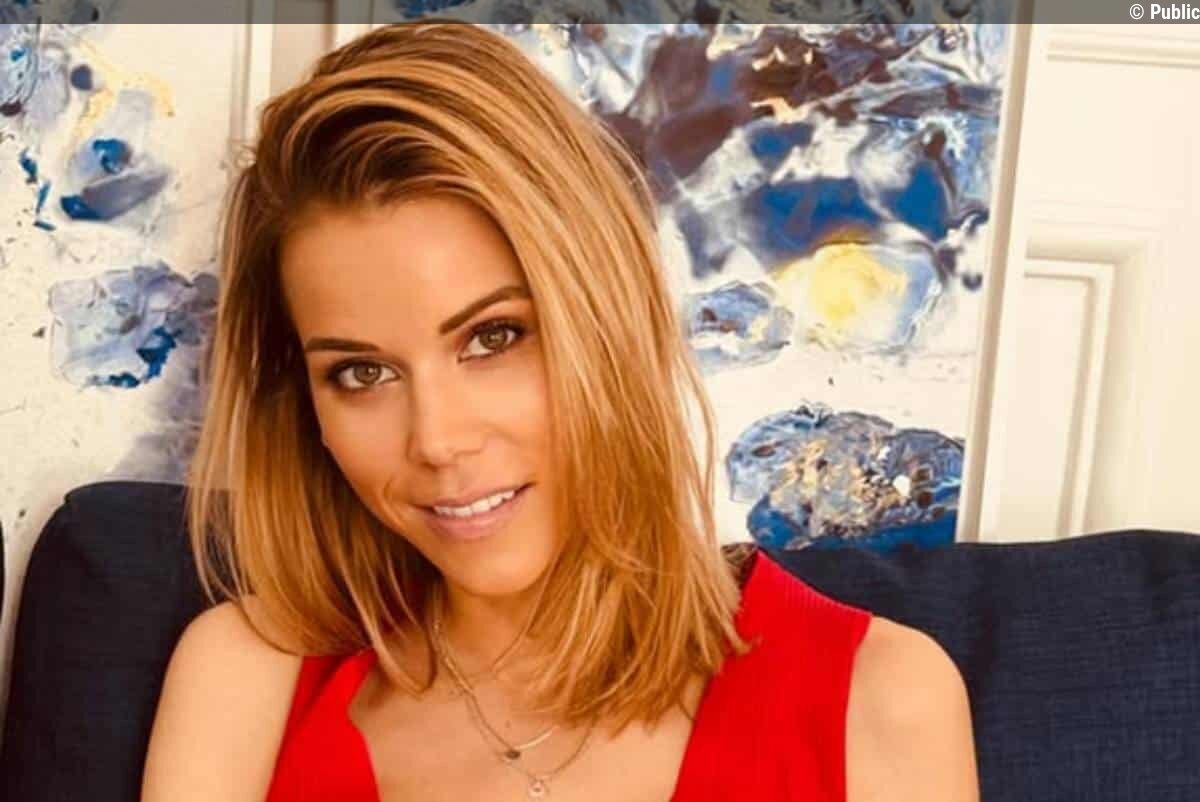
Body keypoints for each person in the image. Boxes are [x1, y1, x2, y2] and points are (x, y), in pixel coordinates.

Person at [140, 21, 978, 802]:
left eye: (494, 337)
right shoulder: (245, 686)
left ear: (608, 317)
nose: (438, 440)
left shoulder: (879, 703)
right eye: (362, 373)